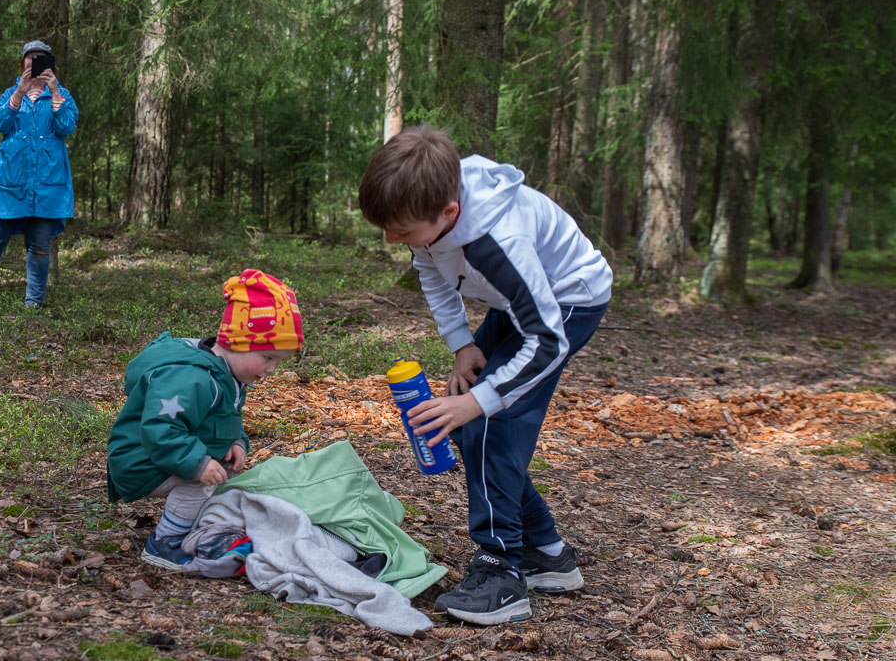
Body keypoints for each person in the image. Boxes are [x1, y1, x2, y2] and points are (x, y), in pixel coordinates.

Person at [358, 126, 613, 625]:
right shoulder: (430, 205)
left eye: (402, 231)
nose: (392, 240)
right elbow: (430, 271)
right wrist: (462, 345)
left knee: (488, 420)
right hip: (516, 304)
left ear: (450, 213)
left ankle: (502, 573)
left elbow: (547, 340)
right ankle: (546, 552)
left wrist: (479, 402)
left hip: (567, 304)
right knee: (473, 416)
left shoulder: (498, 241)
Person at [106, 269, 304, 571]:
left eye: (278, 360)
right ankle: (165, 543)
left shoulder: (231, 374)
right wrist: (197, 463)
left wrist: (236, 441)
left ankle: (194, 523)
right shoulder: (194, 379)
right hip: (139, 461)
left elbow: (227, 418)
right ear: (238, 341)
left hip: (163, 454)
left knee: (222, 477)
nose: (272, 369)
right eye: (267, 357)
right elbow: (160, 428)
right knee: (201, 482)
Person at [0, 39, 78, 308]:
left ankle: (33, 304)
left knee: (40, 247)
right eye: (31, 57)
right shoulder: (10, 94)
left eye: (42, 58)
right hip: (10, 183)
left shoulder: (61, 94)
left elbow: (66, 127)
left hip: (46, 185)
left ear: (49, 64)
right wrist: (19, 93)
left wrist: (54, 91)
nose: (35, 62)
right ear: (23, 63)